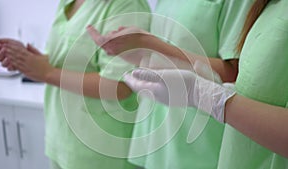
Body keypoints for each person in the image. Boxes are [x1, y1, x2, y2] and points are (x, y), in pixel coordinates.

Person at [121, 0, 288, 168]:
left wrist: (207, 95)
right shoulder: (270, 7)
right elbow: (252, 81)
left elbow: (234, 71)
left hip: (202, 146)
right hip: (222, 147)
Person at [87, 0, 253, 168]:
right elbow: (166, 56)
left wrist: (148, 42)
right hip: (157, 132)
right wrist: (135, 50)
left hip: (200, 137)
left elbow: (234, 72)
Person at [0, 0, 150, 169]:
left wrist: (47, 72)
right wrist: (27, 60)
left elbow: (119, 86)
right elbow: (64, 63)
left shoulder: (126, 5)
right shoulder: (67, 3)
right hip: (60, 141)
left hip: (101, 151)